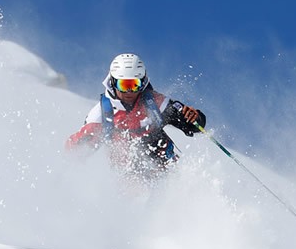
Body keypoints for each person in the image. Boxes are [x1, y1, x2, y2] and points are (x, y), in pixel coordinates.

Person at [66, 53, 206, 178]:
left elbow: (194, 126)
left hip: (166, 172)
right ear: (113, 83)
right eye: (123, 84)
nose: (129, 91)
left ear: (143, 83)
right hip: (129, 178)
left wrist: (195, 118)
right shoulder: (100, 116)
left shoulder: (154, 103)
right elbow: (74, 152)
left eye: (134, 84)